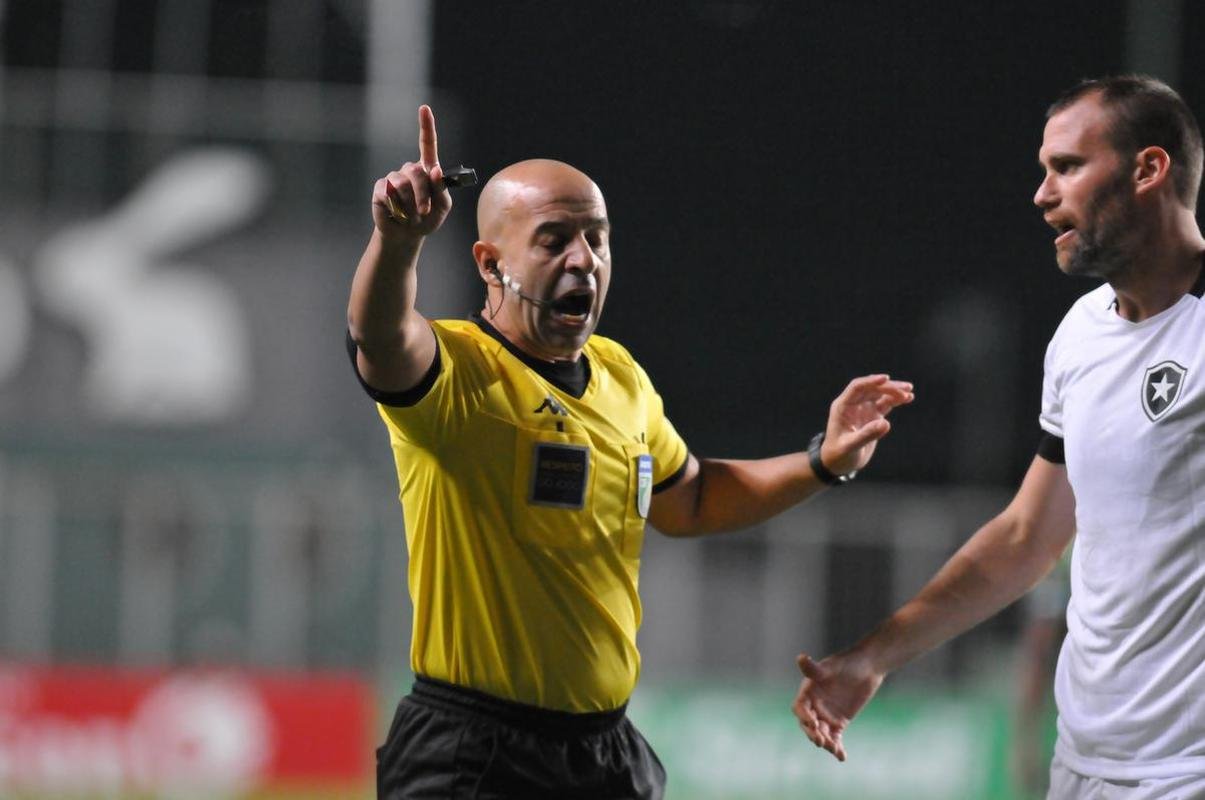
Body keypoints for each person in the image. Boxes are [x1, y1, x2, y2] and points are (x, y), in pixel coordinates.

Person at [347, 105, 914, 799]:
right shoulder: (458, 373)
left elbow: (693, 498)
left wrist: (822, 461)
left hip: (603, 754)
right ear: (490, 264)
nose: (583, 259)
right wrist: (398, 243)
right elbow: (379, 337)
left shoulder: (619, 374)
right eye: (554, 239)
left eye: (597, 239)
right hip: (474, 752)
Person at [792, 75, 1205, 799]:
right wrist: (872, 657)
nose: (1042, 195)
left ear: (1147, 169)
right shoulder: (1081, 335)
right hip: (1084, 766)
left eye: (1067, 167)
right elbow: (1025, 536)